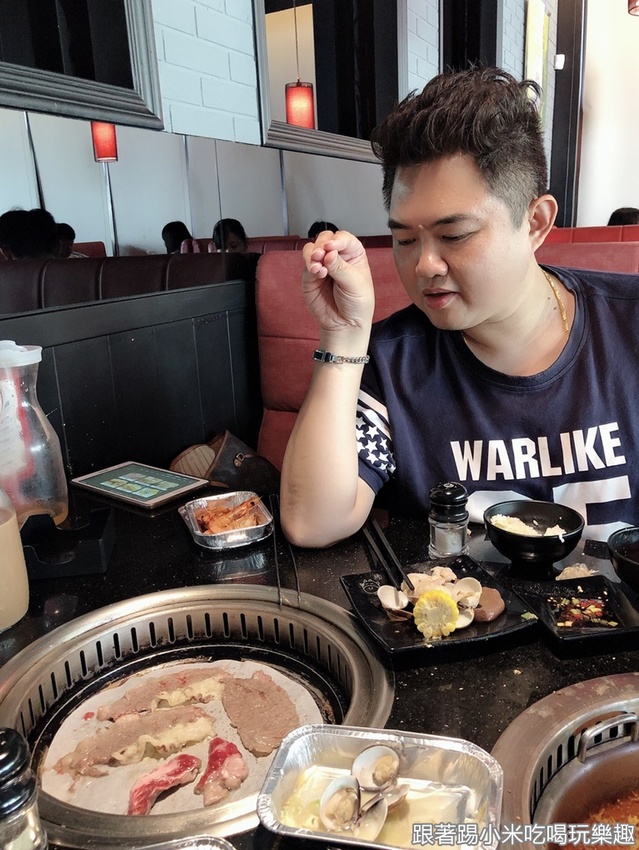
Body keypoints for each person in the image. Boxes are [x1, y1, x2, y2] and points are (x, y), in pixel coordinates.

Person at [280, 66, 639, 549]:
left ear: (535, 222)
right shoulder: (391, 364)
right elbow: (312, 523)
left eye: (454, 235)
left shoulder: (628, 326)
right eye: (405, 239)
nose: (425, 264)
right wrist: (343, 334)